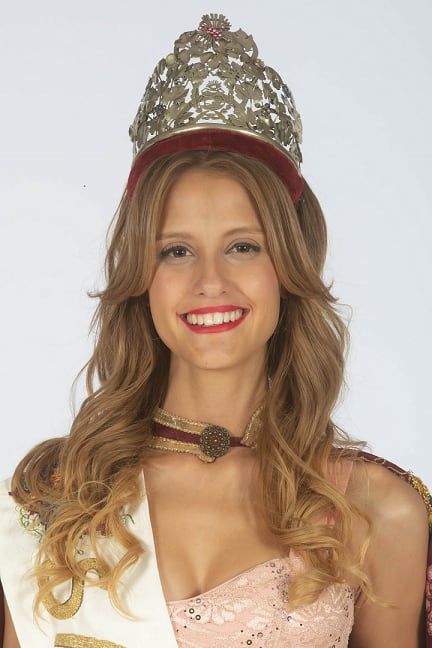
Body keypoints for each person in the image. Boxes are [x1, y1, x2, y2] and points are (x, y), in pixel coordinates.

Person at [0, 12, 431, 648]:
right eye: (176, 250)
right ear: (142, 276)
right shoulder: (57, 500)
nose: (210, 281)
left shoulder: (374, 510)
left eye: (242, 247)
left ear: (287, 267)